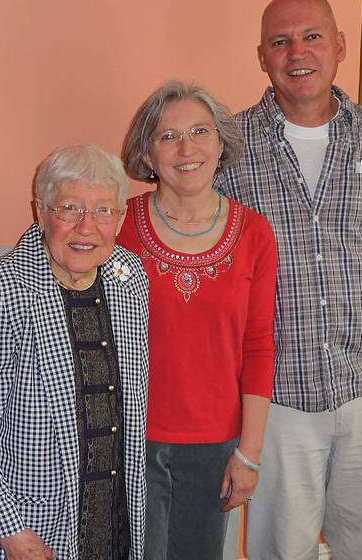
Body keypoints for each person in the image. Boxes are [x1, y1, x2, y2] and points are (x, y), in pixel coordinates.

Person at [216, 0, 362, 559]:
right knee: (279, 550)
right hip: (279, 399)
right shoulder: (228, 149)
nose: (298, 52)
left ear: (339, 46)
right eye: (280, 41)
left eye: (312, 36)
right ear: (261, 57)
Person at [0, 144, 149, 560]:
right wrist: (10, 529)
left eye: (104, 211)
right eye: (69, 208)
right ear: (40, 212)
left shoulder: (129, 275)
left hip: (114, 517)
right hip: (30, 531)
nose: (87, 227)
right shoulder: (2, 288)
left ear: (119, 217)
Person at [117, 81, 278, 560]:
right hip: (129, 438)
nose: (186, 149)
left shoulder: (254, 232)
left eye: (200, 132)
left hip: (216, 446)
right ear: (147, 154)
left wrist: (249, 453)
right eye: (168, 137)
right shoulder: (116, 225)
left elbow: (259, 346)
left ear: (221, 142)